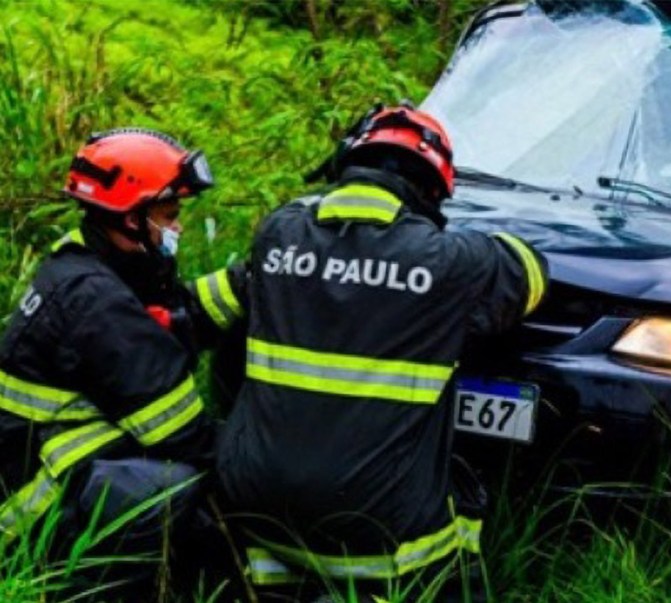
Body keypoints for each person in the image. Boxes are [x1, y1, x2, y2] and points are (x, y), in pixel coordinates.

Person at [210, 103, 548, 601]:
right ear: (432, 190)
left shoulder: (278, 232)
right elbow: (530, 270)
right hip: (377, 523)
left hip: (255, 506)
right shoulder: (450, 261)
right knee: (463, 516)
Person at [0, 128, 219, 584]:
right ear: (131, 217)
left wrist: (251, 283)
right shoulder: (95, 300)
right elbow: (183, 434)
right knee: (183, 491)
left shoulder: (84, 264)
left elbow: (176, 315)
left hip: (33, 471)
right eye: (169, 215)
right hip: (35, 512)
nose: (176, 229)